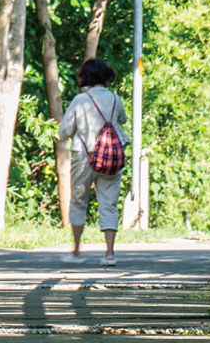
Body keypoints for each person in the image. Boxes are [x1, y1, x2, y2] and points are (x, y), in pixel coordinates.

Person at [58, 57, 130, 267]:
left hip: (84, 156)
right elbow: (123, 120)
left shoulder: (80, 100)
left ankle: (77, 250)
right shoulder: (116, 99)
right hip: (112, 158)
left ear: (86, 76)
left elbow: (64, 131)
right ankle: (109, 254)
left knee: (79, 201)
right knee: (109, 204)